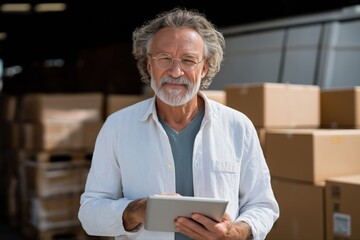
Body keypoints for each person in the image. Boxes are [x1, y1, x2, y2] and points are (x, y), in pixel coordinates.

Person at [78, 7, 279, 240]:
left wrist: (236, 233)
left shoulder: (238, 126)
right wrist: (136, 210)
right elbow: (90, 214)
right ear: (148, 65)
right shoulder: (117, 128)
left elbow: (263, 206)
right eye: (164, 59)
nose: (175, 71)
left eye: (188, 60)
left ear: (204, 68)